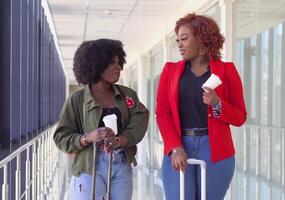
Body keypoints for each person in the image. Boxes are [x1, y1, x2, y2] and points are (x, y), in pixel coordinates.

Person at [156, 13, 247, 200]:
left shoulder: (227, 70)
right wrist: (175, 147)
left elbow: (240, 117)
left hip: (215, 149)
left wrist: (218, 104)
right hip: (178, 145)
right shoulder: (170, 71)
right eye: (178, 39)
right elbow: (163, 114)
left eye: (185, 38)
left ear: (201, 38)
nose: (179, 44)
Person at [53, 39, 149, 200]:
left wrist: (121, 140)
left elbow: (140, 120)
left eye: (119, 61)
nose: (118, 67)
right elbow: (61, 137)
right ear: (96, 65)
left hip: (121, 162)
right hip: (89, 166)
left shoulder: (127, 95)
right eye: (112, 62)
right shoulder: (77, 99)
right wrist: (87, 138)